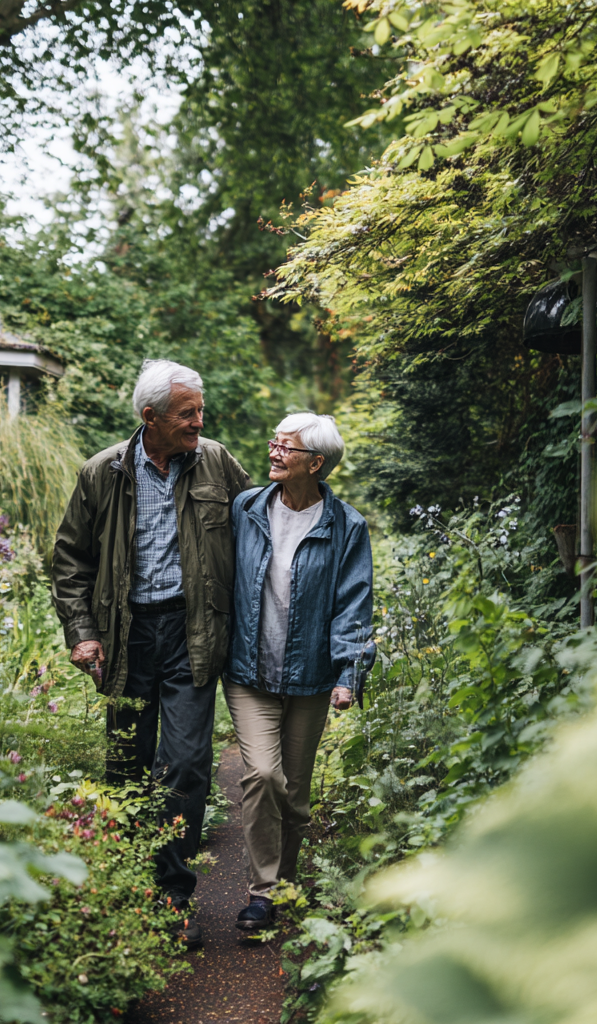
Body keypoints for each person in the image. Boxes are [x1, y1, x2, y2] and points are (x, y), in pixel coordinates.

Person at [51, 359, 251, 949]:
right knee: (126, 766)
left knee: (187, 764)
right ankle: (126, 887)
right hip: (125, 636)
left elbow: (260, 527)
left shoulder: (215, 461)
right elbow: (70, 561)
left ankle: (172, 895)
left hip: (193, 631)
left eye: (200, 411)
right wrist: (82, 632)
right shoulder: (103, 472)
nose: (198, 421)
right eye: (187, 413)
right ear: (151, 418)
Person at [224, 413, 373, 932]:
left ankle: (285, 883)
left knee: (295, 792)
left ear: (316, 463)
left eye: (285, 448)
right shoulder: (245, 508)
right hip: (248, 671)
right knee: (263, 775)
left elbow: (353, 603)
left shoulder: (346, 526)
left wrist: (348, 673)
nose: (274, 454)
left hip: (310, 674)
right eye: (273, 443)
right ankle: (263, 893)